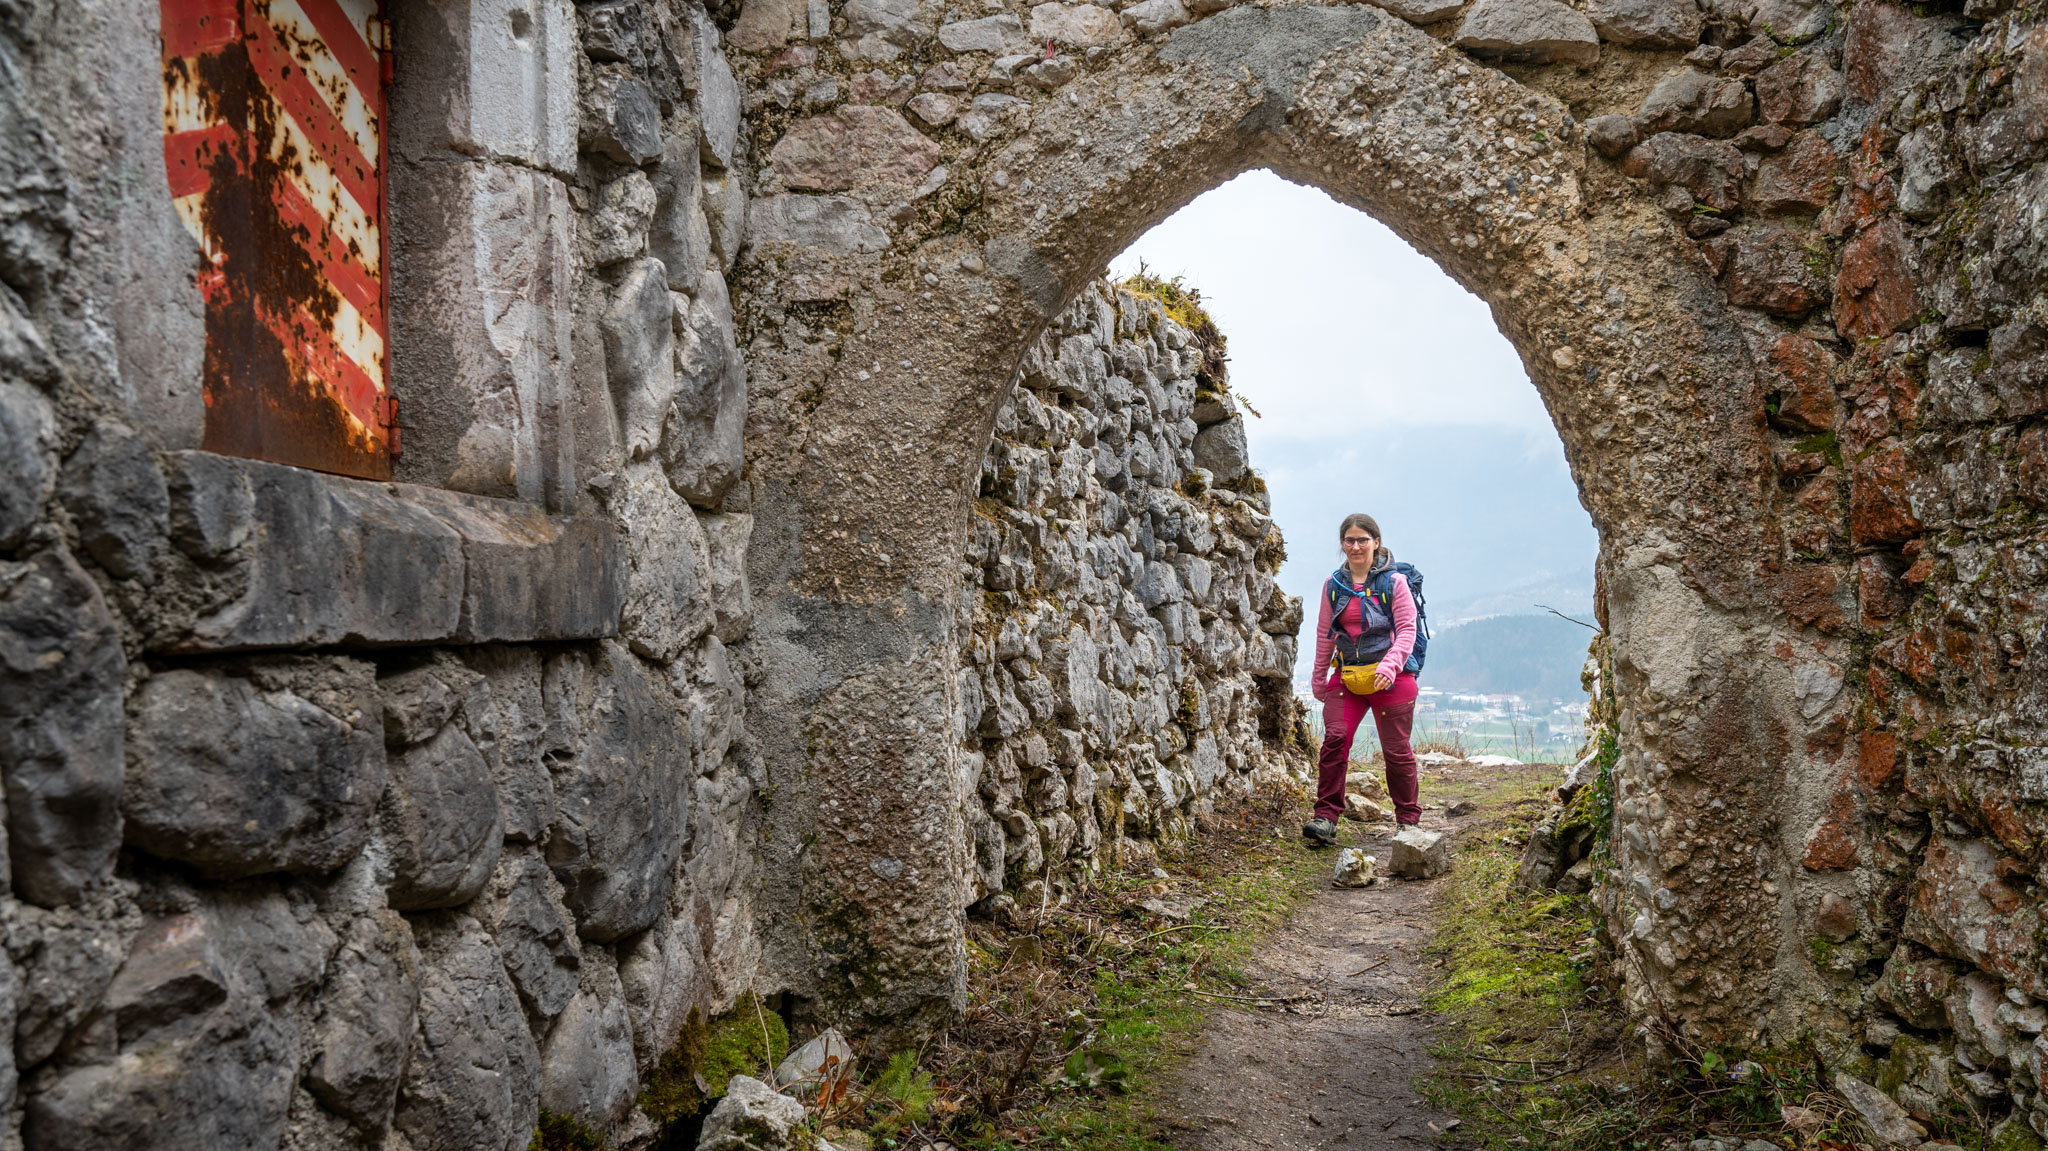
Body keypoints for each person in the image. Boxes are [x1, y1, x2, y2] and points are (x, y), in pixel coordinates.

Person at [1303, 513, 1422, 847]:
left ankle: (1407, 821)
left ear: (1376, 543)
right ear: (1342, 544)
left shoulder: (1394, 583)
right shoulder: (1333, 586)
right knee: (1335, 739)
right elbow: (1325, 633)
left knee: (1396, 752)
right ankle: (1325, 818)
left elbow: (1407, 630)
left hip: (1393, 678)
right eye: (1349, 540)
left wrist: (1390, 665)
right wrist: (1319, 676)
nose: (1356, 546)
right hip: (1349, 675)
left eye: (1363, 540)